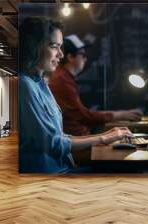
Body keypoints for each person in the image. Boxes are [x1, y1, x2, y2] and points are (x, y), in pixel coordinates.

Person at [18, 17, 132, 173]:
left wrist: (107, 134)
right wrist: (103, 138)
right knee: (123, 170)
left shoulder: (42, 84)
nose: (61, 54)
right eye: (54, 46)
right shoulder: (26, 86)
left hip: (64, 166)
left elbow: (60, 135)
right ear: (34, 47)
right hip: (52, 175)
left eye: (61, 47)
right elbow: (51, 143)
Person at [48, 34, 143, 136]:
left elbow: (82, 114)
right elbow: (84, 116)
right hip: (76, 139)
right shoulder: (62, 80)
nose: (85, 59)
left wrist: (120, 114)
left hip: (75, 137)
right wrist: (120, 114)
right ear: (70, 57)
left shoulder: (64, 77)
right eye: (83, 55)